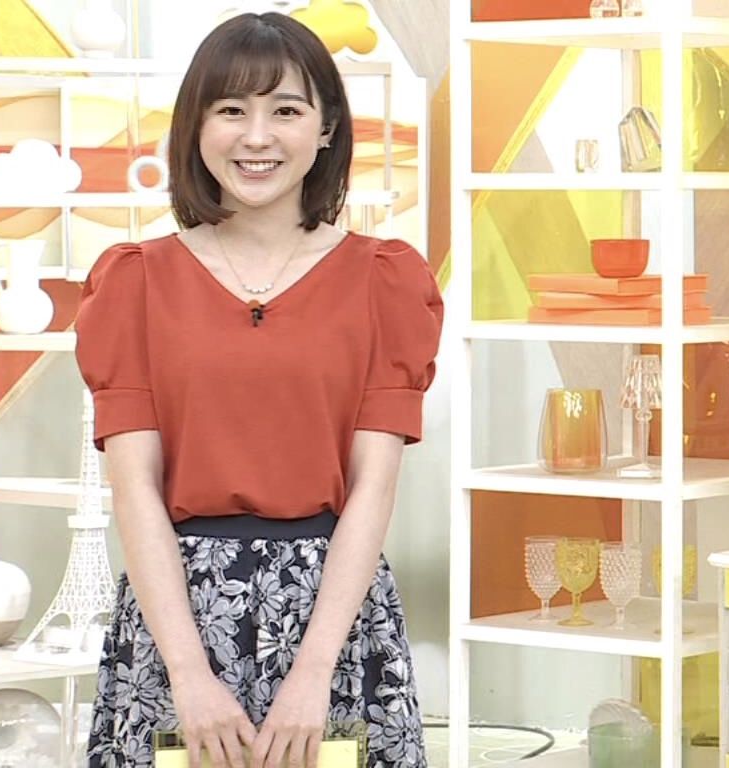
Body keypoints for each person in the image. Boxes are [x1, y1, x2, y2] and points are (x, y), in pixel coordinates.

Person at [74, 11, 443, 768]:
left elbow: (374, 487)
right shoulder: (134, 281)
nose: (257, 137)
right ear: (197, 126)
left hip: (335, 620)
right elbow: (135, 488)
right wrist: (187, 674)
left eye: (286, 111)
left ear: (327, 128)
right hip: (177, 619)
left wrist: (313, 674)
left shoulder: (385, 280)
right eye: (231, 110)